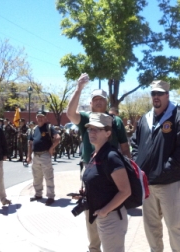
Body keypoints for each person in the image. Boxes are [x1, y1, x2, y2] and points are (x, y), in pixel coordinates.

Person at [66, 73, 130, 252]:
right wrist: (79, 88)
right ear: (91, 102)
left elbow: (125, 148)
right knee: (91, 210)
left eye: (101, 99)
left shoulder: (115, 121)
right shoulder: (86, 119)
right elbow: (70, 113)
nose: (98, 102)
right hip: (90, 168)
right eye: (95, 99)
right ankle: (94, 248)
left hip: (112, 170)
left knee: (110, 209)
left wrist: (128, 172)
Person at [131, 80, 180, 252]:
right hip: (148, 185)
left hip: (170, 183)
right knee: (151, 228)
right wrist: (139, 163)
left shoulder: (179, 118)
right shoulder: (145, 119)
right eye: (153, 93)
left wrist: (165, 169)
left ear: (167, 95)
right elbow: (135, 143)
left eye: (160, 93)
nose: (156, 97)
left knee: (175, 226)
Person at [74, 112, 130, 252]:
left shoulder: (111, 156)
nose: (91, 132)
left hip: (112, 218)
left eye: (96, 129)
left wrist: (104, 211)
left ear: (107, 133)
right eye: (89, 129)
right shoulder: (95, 154)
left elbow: (125, 191)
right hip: (102, 216)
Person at [27, 110, 60, 206]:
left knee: (48, 176)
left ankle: (50, 196)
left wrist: (51, 148)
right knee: (37, 176)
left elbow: (58, 138)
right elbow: (30, 143)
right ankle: (38, 194)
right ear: (36, 118)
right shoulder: (33, 129)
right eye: (38, 117)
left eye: (42, 117)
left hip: (45, 155)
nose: (40, 119)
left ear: (45, 118)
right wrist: (28, 156)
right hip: (35, 156)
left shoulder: (49, 128)